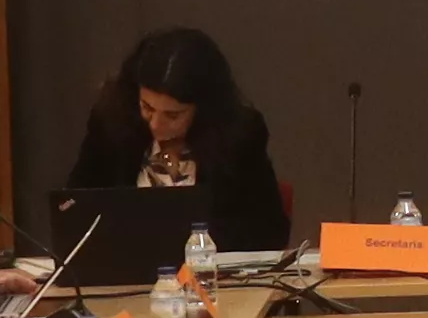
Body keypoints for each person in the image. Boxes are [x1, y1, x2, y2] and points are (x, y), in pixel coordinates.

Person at [57, 25, 298, 257]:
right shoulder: (112, 125)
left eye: (173, 115)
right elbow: (73, 213)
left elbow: (269, 232)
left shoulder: (239, 134)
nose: (155, 125)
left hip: (212, 283)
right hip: (122, 280)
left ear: (203, 108)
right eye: (147, 108)